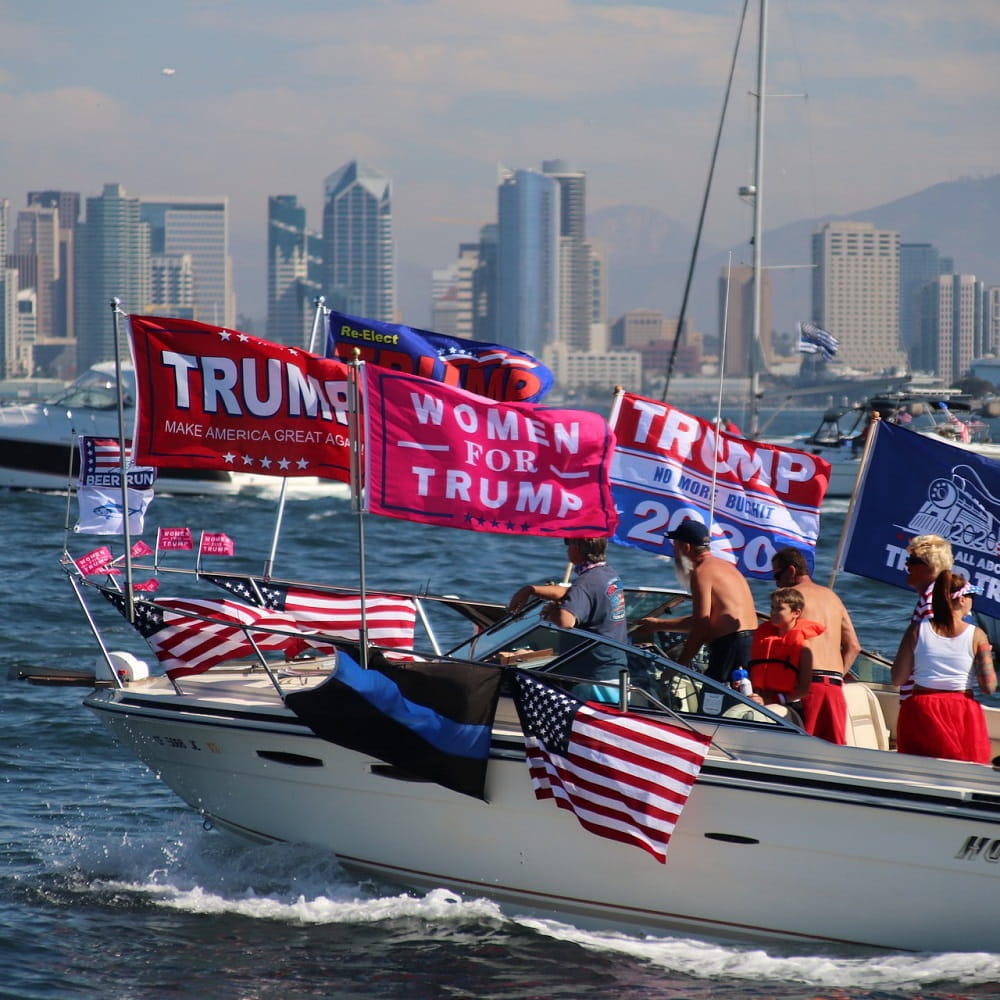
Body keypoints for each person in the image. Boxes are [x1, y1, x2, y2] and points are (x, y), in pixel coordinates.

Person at [633, 519, 757, 683]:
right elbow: (704, 620)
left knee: (711, 703)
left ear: (686, 547)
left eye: (675, 545)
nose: (674, 551)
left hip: (731, 645)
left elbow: (701, 627)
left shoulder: (702, 572)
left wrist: (678, 667)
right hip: (750, 643)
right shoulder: (725, 567)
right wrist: (657, 624)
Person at [891, 572, 996, 764]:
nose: (973, 601)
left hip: (920, 709)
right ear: (962, 600)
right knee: (963, 772)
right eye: (972, 596)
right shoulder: (977, 635)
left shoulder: (916, 629)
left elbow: (897, 678)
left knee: (917, 770)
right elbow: (988, 687)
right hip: (961, 711)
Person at [771, 546, 861, 743]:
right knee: (834, 753)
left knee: (805, 751)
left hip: (808, 687)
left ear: (792, 571)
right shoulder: (832, 597)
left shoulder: (790, 598)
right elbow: (854, 646)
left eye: (777, 576)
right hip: (835, 687)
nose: (776, 583)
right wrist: (837, 675)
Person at [507, 536, 627, 642]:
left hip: (591, 663)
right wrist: (530, 590)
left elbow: (566, 622)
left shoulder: (585, 582)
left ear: (576, 548)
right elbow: (575, 592)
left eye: (568, 542)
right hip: (613, 656)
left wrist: (552, 610)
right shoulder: (608, 573)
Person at [748, 587, 823, 719]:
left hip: (788, 707)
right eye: (772, 608)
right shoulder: (762, 639)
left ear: (796, 613)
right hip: (760, 700)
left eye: (780, 609)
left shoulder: (803, 647)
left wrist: (775, 700)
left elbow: (804, 688)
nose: (773, 613)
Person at [900, 534, 954, 704]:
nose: (907, 565)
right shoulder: (938, 596)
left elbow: (937, 652)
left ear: (930, 567)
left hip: (925, 700)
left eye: (913, 561)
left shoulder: (932, 601)